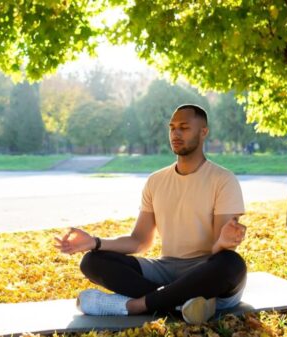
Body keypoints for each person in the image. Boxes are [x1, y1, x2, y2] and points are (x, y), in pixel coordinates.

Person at [54, 104, 247, 324]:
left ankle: (135, 306)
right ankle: (182, 304)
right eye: (172, 127)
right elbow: (139, 241)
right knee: (92, 261)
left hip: (205, 272)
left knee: (232, 264)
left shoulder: (223, 180)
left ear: (204, 132)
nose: (175, 133)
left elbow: (217, 252)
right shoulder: (156, 181)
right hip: (165, 269)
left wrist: (224, 241)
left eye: (184, 127)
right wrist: (94, 242)